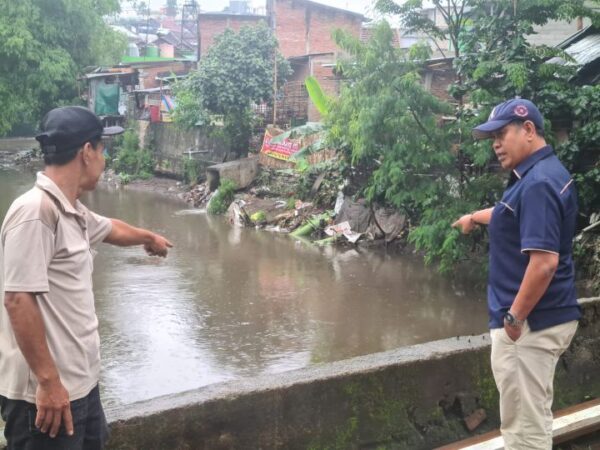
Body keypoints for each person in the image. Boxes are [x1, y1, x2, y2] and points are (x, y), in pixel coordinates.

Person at [0, 106, 173, 449]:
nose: (104, 160)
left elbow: (111, 228)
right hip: (46, 397)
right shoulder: (35, 212)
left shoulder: (71, 210)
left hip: (79, 386)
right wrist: (49, 383)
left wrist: (147, 238)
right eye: (103, 150)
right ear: (86, 152)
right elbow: (17, 300)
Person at [452, 99, 580, 449]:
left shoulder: (537, 183)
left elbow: (544, 263)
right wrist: (476, 216)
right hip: (545, 316)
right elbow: (511, 212)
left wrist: (514, 318)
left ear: (527, 130)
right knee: (531, 415)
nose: (495, 143)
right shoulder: (544, 174)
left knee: (524, 428)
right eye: (491, 136)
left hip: (529, 325)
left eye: (501, 133)